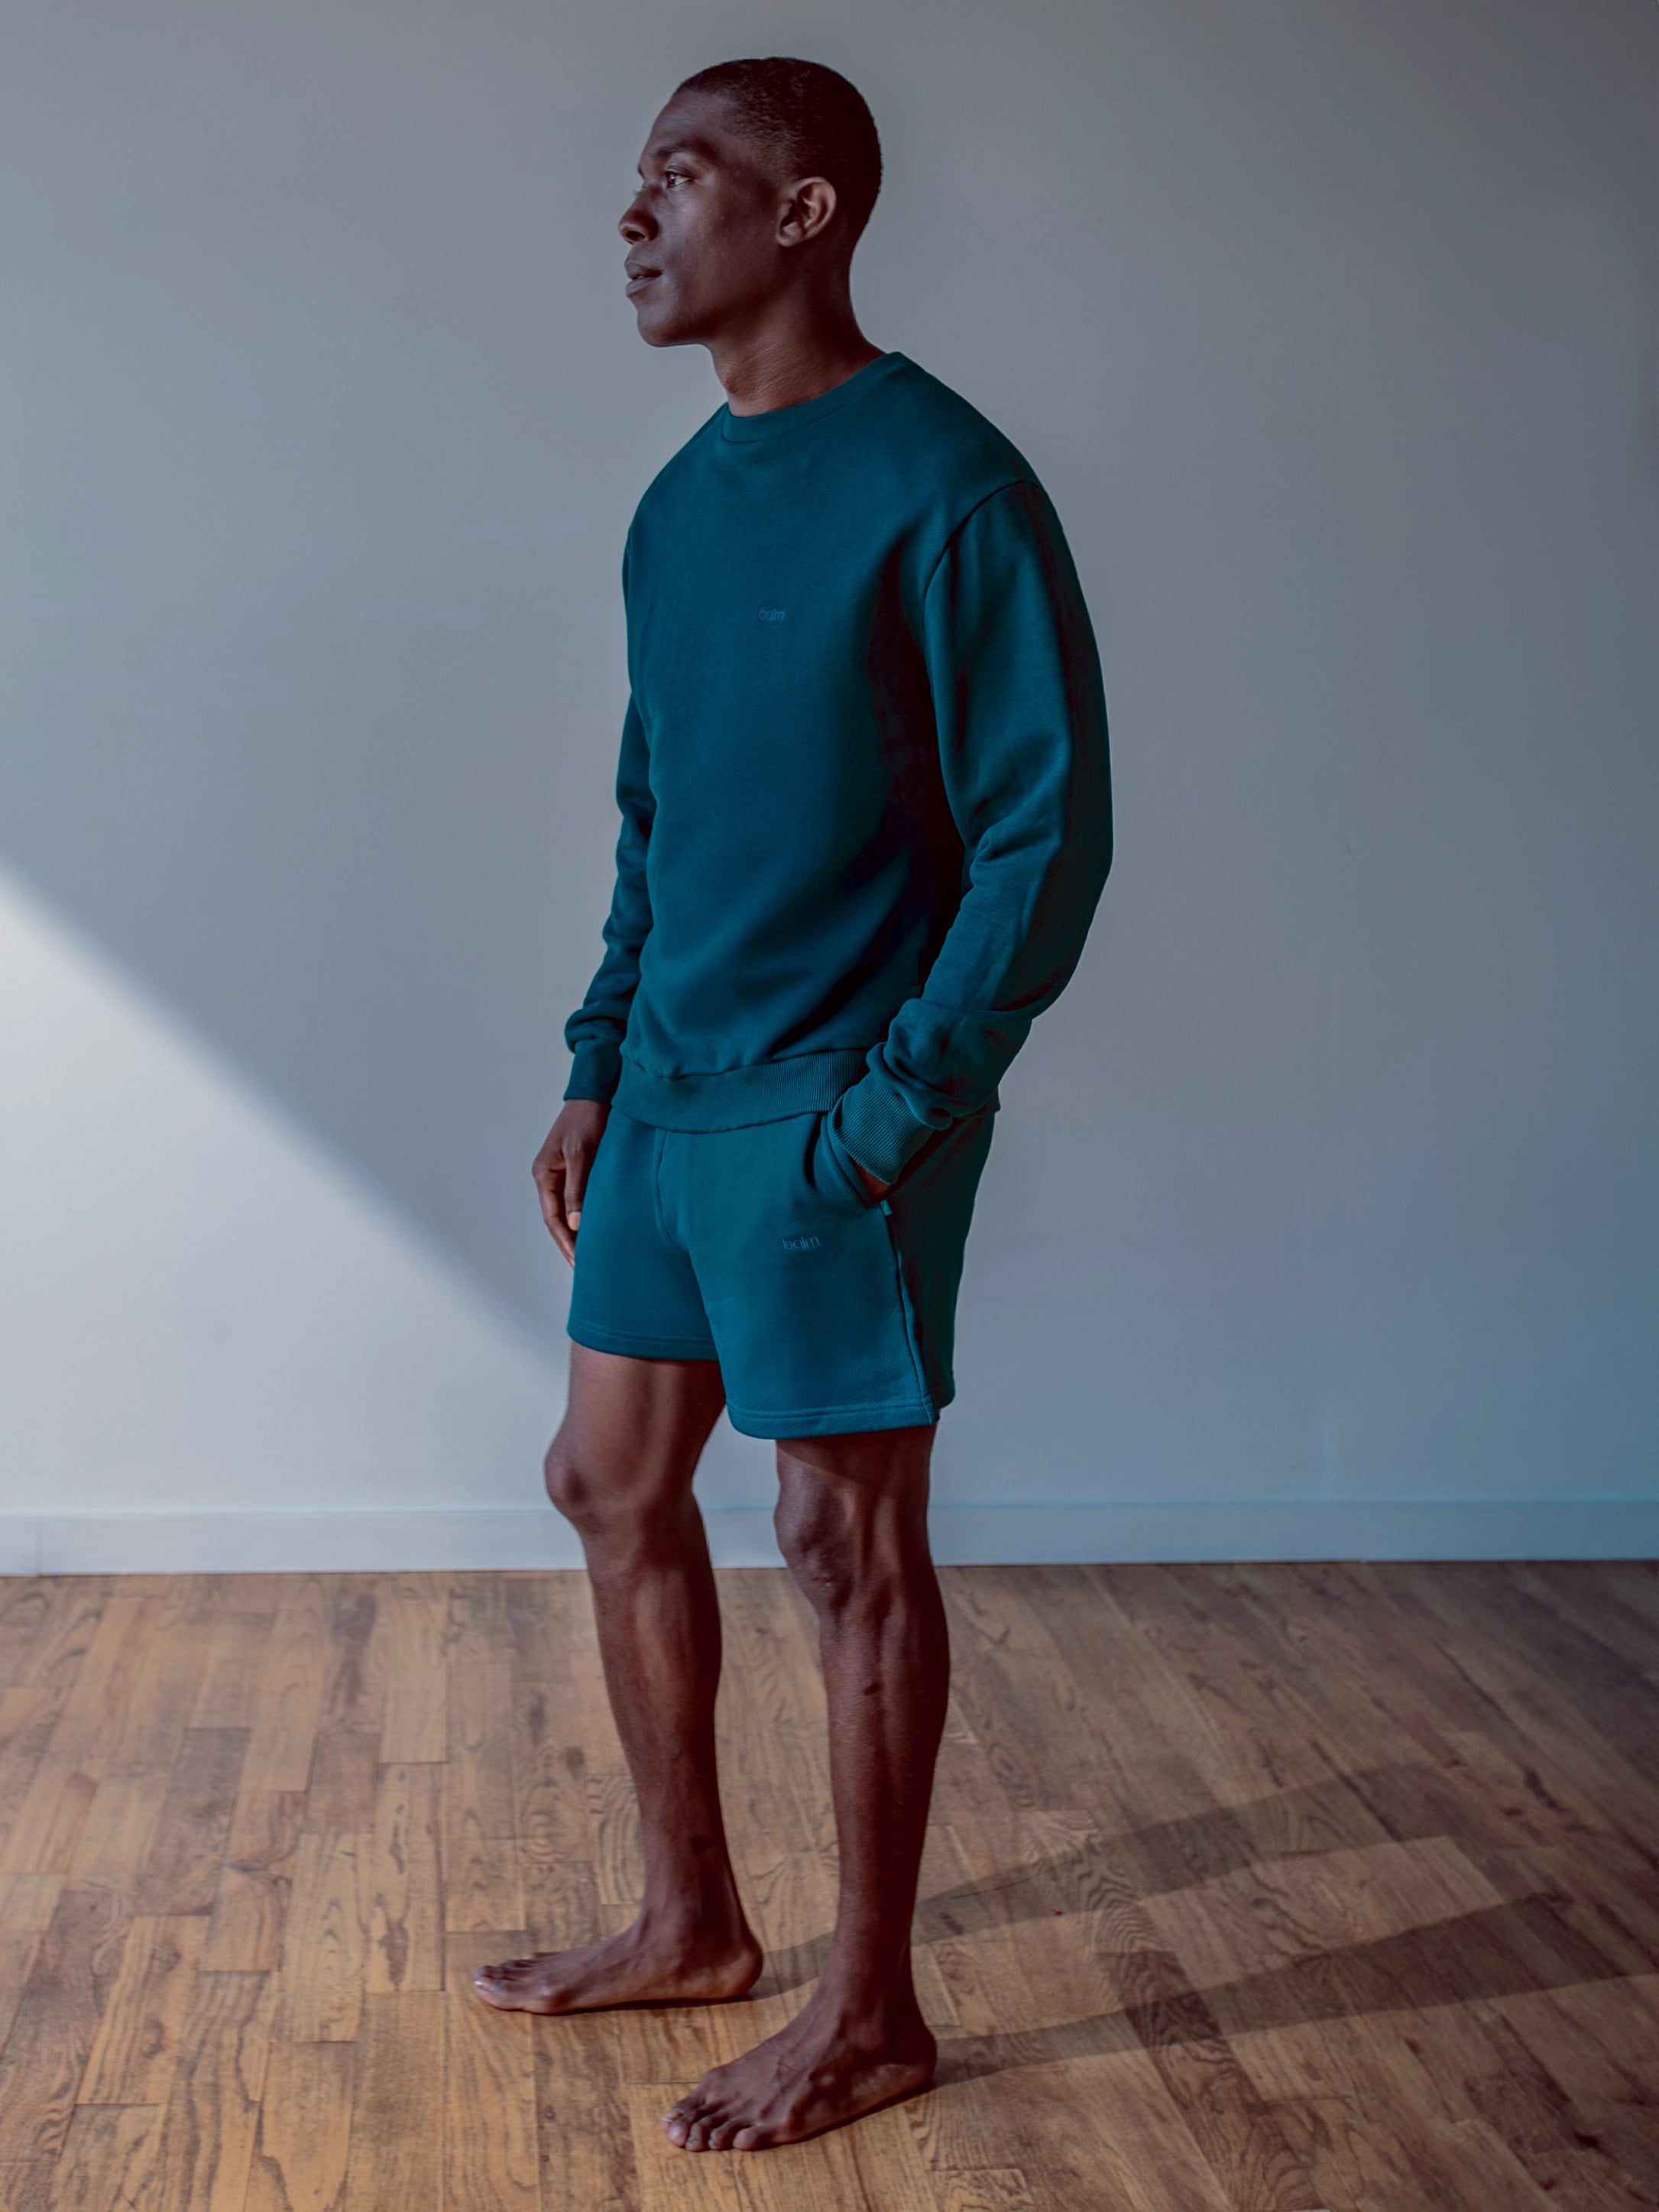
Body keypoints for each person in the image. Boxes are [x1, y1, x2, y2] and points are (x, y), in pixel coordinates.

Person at [472, 54, 1113, 2153]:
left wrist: (900, 1107)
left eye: (679, 178)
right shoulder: (681, 498)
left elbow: (1042, 838)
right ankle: (690, 1920)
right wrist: (594, 1056)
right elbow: (658, 813)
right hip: (669, 1089)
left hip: (841, 1098)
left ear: (805, 210)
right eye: (635, 180)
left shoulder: (949, 487)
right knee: (602, 1475)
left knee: (841, 1545)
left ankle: (870, 2013)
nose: (634, 217)